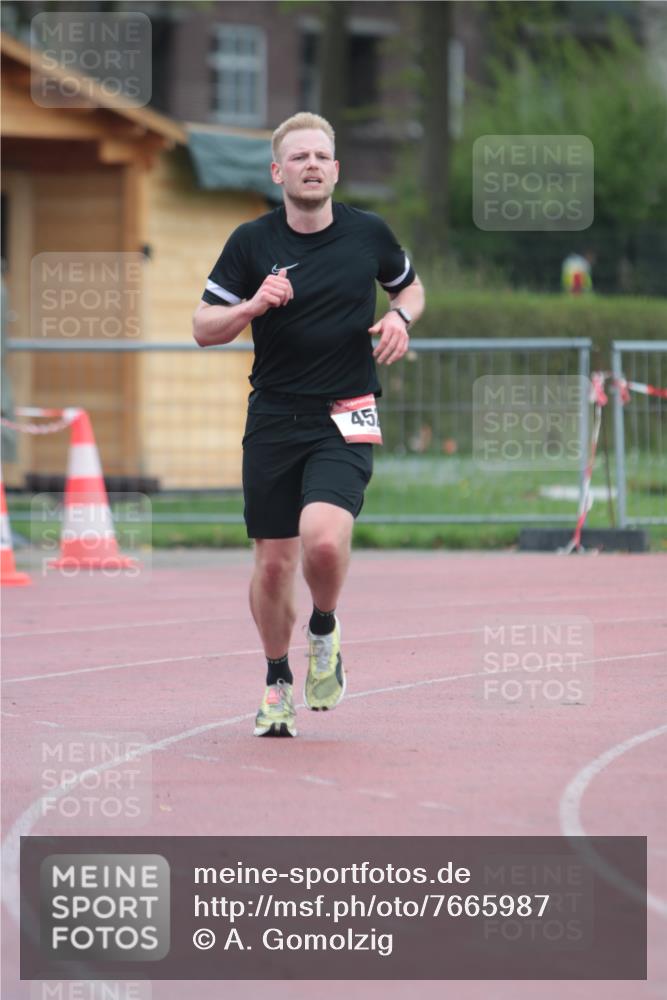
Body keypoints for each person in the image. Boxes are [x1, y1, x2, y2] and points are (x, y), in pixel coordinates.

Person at [193, 112, 425, 737]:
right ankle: (276, 681)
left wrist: (401, 318)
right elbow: (202, 328)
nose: (312, 165)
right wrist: (251, 305)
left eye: (321, 156)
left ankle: (323, 627)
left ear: (336, 170)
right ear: (278, 171)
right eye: (299, 158)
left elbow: (410, 288)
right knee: (273, 563)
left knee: (322, 539)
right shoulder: (250, 242)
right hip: (273, 415)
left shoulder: (368, 233)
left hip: (347, 409)